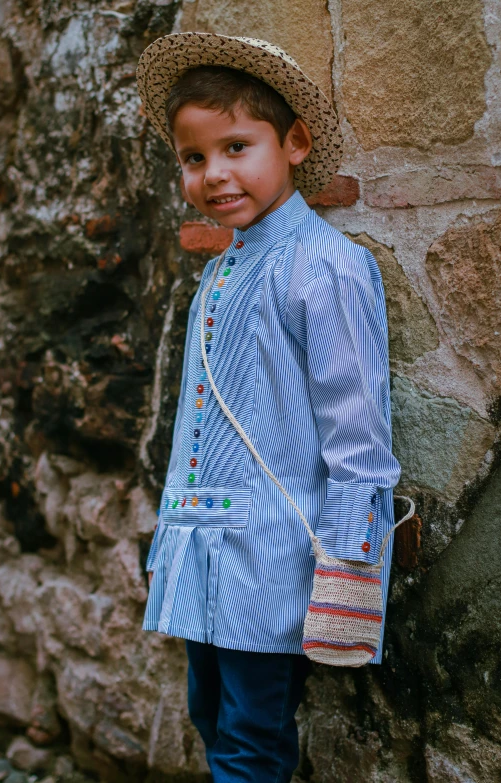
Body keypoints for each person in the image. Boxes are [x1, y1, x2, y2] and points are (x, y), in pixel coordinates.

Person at [136, 33, 402, 783]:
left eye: (236, 147)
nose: (214, 174)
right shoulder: (220, 271)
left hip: (275, 562)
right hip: (202, 549)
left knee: (253, 738)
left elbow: (359, 434)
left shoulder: (328, 268)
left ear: (294, 143)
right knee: (209, 717)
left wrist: (350, 567)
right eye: (194, 158)